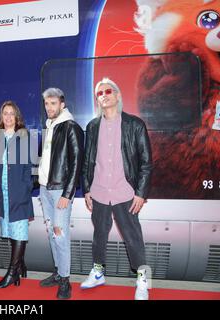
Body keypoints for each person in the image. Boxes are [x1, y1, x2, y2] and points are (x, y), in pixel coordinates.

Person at [80, 77, 153, 300]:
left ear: (118, 95)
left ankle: (143, 280)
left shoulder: (135, 124)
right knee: (99, 235)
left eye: (108, 91)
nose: (104, 96)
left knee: (133, 237)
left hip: (125, 192)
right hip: (99, 191)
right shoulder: (92, 127)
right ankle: (98, 273)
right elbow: (87, 161)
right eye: (99, 93)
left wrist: (141, 192)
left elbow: (146, 162)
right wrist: (87, 189)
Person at [38, 88, 84, 299]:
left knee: (60, 234)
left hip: (59, 191)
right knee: (51, 234)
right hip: (45, 189)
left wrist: (67, 194)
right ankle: (58, 272)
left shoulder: (70, 127)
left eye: (53, 103)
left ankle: (65, 280)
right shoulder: (50, 126)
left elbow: (76, 163)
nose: (49, 107)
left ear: (62, 104)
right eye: (47, 103)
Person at [0, 101, 34, 288]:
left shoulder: (23, 137)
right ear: (1, 117)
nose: (8, 117)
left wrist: (25, 188)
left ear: (17, 117)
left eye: (11, 114)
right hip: (2, 194)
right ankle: (20, 265)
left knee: (20, 230)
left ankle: (12, 273)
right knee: (12, 232)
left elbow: (27, 168)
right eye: (5, 113)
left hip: (18, 193)